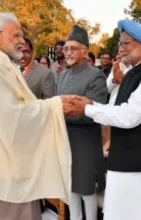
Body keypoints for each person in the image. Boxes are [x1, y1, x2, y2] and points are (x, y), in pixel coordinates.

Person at [0, 12, 73, 220]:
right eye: (17, 36)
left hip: (2, 158)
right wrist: (56, 106)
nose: (22, 42)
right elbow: (11, 116)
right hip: (3, 163)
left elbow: (22, 105)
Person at [63, 19, 141, 220]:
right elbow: (114, 108)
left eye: (125, 43)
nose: (120, 49)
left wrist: (86, 108)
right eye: (120, 44)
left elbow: (129, 116)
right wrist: (106, 91)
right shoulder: (130, 72)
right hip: (122, 160)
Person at [56, 25, 107, 220]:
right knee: (71, 187)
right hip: (65, 140)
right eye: (66, 48)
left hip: (85, 141)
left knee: (86, 189)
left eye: (73, 48)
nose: (68, 52)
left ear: (85, 52)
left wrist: (63, 111)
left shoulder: (95, 75)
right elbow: (56, 105)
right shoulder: (61, 76)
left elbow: (97, 110)